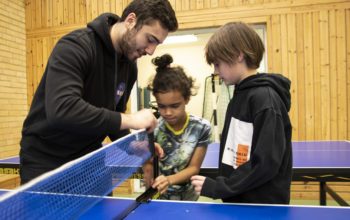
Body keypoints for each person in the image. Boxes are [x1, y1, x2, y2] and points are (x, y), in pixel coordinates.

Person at [19, 0, 178, 184]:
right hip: (46, 162)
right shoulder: (76, 46)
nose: (151, 51)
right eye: (150, 40)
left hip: (90, 161)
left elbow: (113, 116)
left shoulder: (130, 67)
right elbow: (62, 110)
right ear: (131, 21)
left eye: (157, 44)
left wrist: (132, 145)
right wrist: (131, 119)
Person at [191, 22, 292, 204]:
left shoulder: (265, 100)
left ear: (238, 55)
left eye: (217, 63)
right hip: (239, 200)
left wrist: (219, 187)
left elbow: (265, 164)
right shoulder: (239, 94)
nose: (215, 71)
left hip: (261, 207)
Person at [143, 54, 211, 201]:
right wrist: (147, 168)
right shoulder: (152, 127)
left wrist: (168, 180)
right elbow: (148, 161)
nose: (167, 112)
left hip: (188, 197)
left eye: (174, 106)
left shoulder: (202, 128)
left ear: (186, 99)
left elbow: (194, 168)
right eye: (161, 106)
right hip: (159, 196)